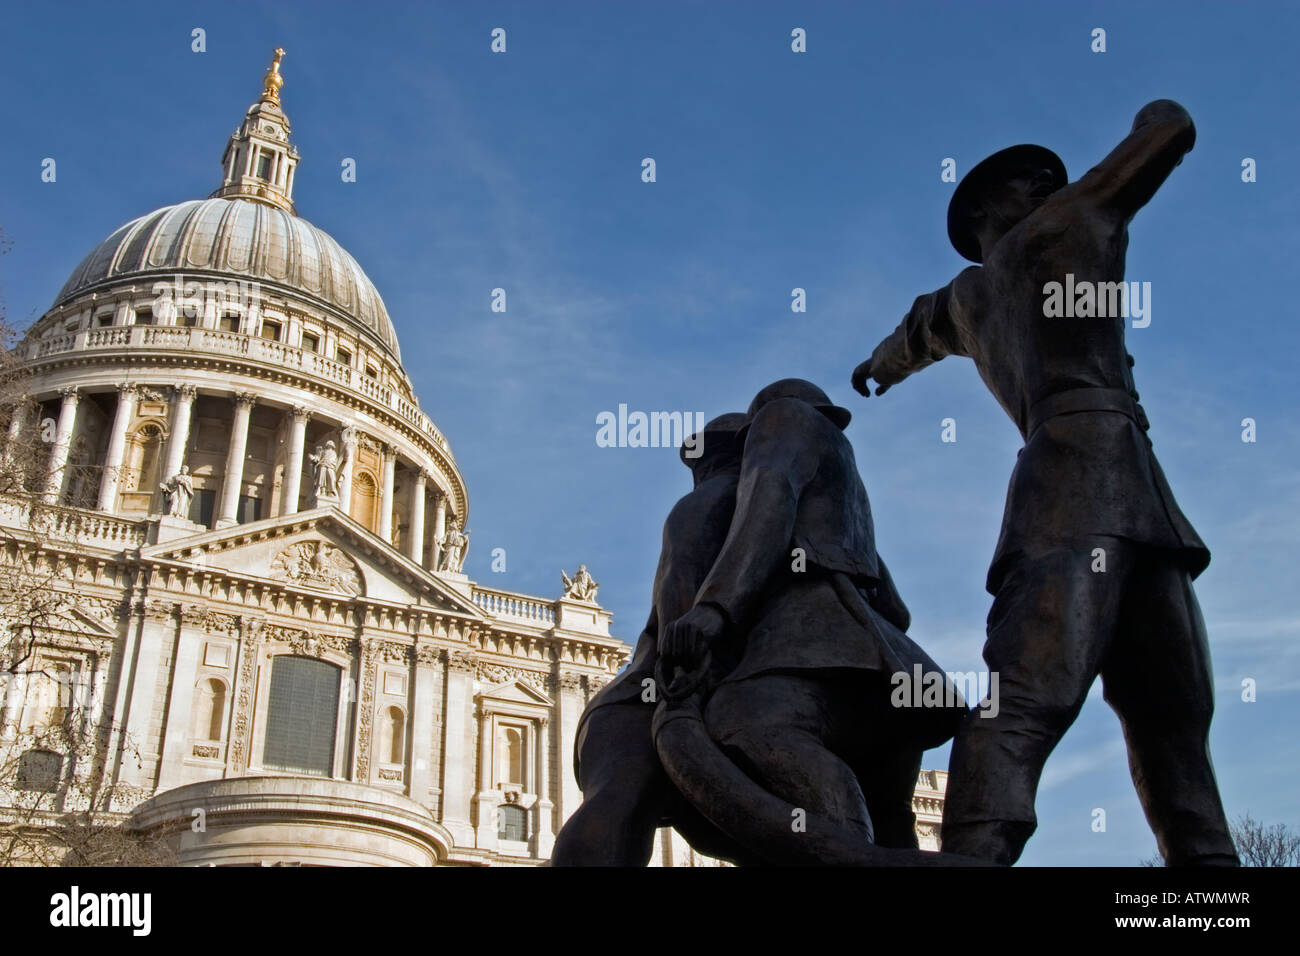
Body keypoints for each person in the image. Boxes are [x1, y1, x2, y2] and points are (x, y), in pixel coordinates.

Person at [851, 100, 1238, 866]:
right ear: (985, 211)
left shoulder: (963, 300)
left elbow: (910, 334)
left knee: (1170, 721)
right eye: (1026, 180)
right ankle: (974, 855)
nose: (1044, 184)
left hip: (1110, 492)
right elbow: (1168, 132)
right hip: (1083, 479)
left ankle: (1213, 894)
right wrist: (1157, 110)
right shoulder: (1070, 221)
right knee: (1035, 696)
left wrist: (876, 369)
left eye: (1048, 179)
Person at [661, 380, 965, 853]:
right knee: (891, 822)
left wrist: (712, 611)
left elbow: (769, 500)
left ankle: (846, 845)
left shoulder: (784, 419)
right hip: (885, 667)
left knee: (747, 723)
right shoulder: (845, 476)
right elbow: (896, 609)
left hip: (818, 641)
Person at [552, 413, 749, 866]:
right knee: (621, 802)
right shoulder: (711, 505)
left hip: (668, 689)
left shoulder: (744, 507)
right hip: (661, 688)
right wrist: (687, 665)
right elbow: (677, 590)